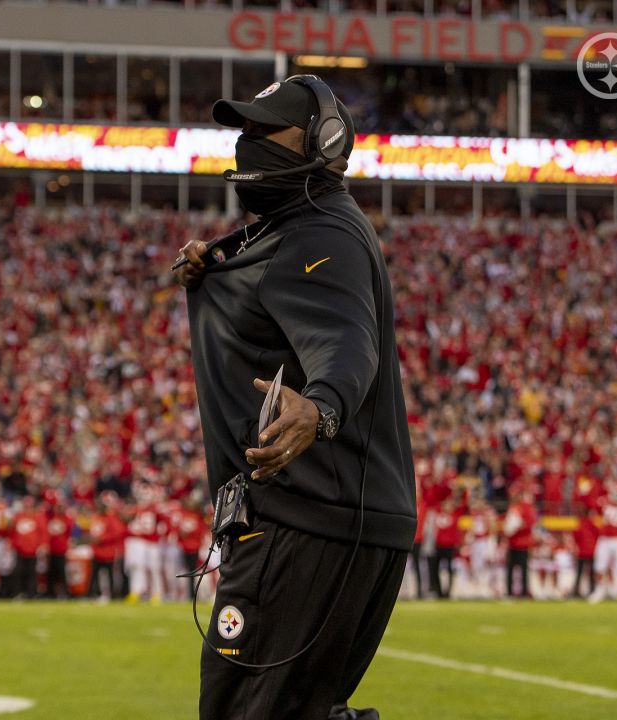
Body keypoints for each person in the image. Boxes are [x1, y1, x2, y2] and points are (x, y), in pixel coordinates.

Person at [176, 75, 417, 720]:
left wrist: (322, 406)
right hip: (330, 518)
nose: (248, 142)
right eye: (245, 129)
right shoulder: (298, 227)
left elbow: (345, 341)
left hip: (308, 518)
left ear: (323, 141)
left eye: (266, 129)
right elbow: (280, 281)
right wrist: (216, 268)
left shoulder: (320, 233)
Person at [503, 486, 537, 599]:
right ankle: (509, 592)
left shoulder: (526, 507)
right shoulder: (512, 508)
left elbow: (531, 522)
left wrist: (521, 526)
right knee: (510, 568)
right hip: (513, 543)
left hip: (523, 543)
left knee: (523, 569)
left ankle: (524, 592)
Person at [43, 496, 74, 599]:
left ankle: (64, 592)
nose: (59, 509)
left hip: (61, 549)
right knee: (51, 572)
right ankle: (50, 592)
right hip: (51, 549)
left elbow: (70, 532)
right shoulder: (51, 518)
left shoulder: (67, 519)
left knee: (61, 573)